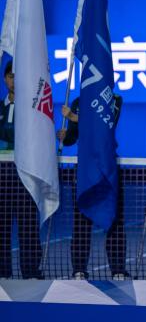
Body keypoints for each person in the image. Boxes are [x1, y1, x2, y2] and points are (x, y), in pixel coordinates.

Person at [59, 94, 128, 280]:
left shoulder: (114, 100)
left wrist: (73, 117)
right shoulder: (78, 102)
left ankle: (118, 269)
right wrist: (65, 137)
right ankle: (79, 269)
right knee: (81, 219)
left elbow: (104, 125)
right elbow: (73, 136)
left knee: (114, 219)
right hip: (85, 167)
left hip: (107, 166)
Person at [0, 62, 42, 279]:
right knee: (2, 227)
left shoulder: (32, 108)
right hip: (2, 174)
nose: (13, 80)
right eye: (10, 76)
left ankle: (31, 270)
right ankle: (2, 271)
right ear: (5, 79)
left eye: (17, 76)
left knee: (28, 225)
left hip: (25, 173)